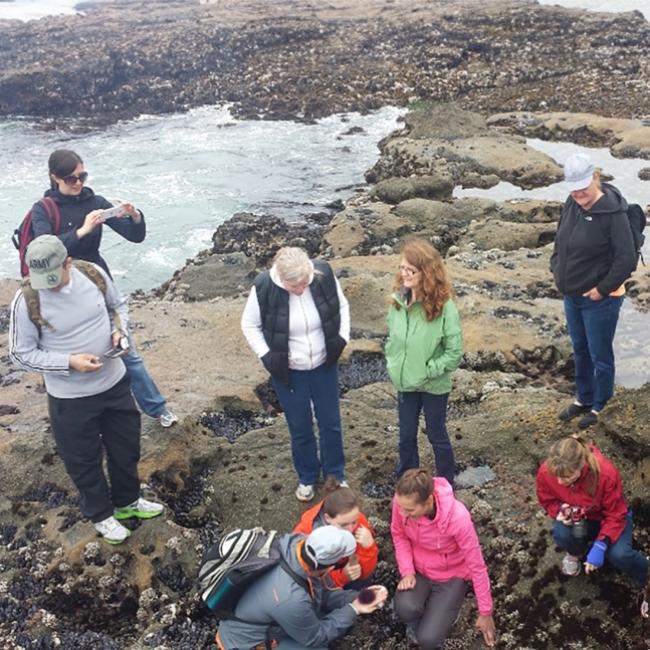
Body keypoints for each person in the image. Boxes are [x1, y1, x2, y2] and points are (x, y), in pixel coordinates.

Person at [8, 235, 164, 544]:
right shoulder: (26, 300)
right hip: (70, 399)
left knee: (126, 448)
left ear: (68, 263)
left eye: (53, 277)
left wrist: (120, 333)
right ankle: (101, 515)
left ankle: (127, 502)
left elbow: (117, 306)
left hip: (114, 383)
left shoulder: (92, 273)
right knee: (83, 459)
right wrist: (69, 361)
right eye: (41, 279)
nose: (48, 285)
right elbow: (20, 353)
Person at [30, 148, 177, 428]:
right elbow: (45, 251)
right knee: (63, 348)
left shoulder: (94, 200)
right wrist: (82, 230)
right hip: (58, 284)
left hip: (96, 279)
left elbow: (134, 237)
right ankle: (68, 418)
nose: (78, 183)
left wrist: (134, 216)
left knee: (124, 347)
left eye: (82, 175)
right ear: (54, 178)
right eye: (71, 178)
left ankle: (158, 409)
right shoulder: (43, 209)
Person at [241, 246, 350, 502]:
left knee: (330, 424)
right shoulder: (264, 286)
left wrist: (342, 338)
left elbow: (342, 306)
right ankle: (307, 476)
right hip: (289, 371)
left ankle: (335, 474)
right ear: (281, 278)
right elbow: (249, 324)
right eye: (295, 287)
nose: (301, 290)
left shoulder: (322, 272)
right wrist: (267, 356)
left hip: (324, 364)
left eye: (305, 283)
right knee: (300, 427)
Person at [550, 152, 636, 429]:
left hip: (600, 300)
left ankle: (601, 405)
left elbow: (626, 259)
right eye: (573, 190)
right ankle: (583, 398)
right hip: (572, 295)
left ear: (596, 178)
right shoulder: (571, 204)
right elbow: (560, 240)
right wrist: (556, 269)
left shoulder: (613, 213)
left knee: (600, 354)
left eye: (583, 189)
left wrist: (601, 290)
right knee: (580, 349)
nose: (579, 195)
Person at [215, 525, 388, 650]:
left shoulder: (295, 545)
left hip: (267, 615)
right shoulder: (291, 598)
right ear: (328, 568)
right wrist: (354, 609)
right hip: (244, 643)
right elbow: (315, 637)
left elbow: (322, 594)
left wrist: (360, 596)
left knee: (323, 615)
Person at [536, 435, 648, 616]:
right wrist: (560, 510)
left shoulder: (605, 474)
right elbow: (546, 499)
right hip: (581, 517)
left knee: (619, 554)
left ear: (581, 467)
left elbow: (616, 513)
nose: (560, 482)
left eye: (567, 477)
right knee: (562, 533)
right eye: (556, 476)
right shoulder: (547, 471)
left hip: (612, 517)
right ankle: (576, 553)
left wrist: (601, 544)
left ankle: (647, 577)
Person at [385, 239, 463, 485]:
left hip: (433, 384)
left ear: (427, 273)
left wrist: (431, 370)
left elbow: (454, 351)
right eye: (402, 268)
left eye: (411, 270)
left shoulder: (445, 307)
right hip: (405, 382)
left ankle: (446, 483)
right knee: (406, 435)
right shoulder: (397, 302)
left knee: (436, 434)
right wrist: (392, 361)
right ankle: (408, 479)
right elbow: (392, 338)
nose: (404, 274)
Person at [391, 468, 496, 649]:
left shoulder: (458, 518)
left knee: (428, 640)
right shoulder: (402, 503)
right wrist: (407, 571)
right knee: (404, 609)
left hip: (451, 576)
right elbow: (398, 534)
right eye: (401, 508)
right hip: (419, 571)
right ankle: (425, 618)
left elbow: (477, 566)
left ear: (429, 501)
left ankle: (447, 612)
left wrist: (485, 612)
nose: (403, 514)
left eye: (409, 510)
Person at [293, 476, 378, 589]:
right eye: (343, 525)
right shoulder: (305, 536)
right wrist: (342, 576)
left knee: (362, 583)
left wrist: (369, 548)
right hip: (324, 579)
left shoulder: (356, 519)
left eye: (354, 522)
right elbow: (311, 584)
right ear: (327, 518)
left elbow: (364, 573)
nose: (351, 529)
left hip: (343, 567)